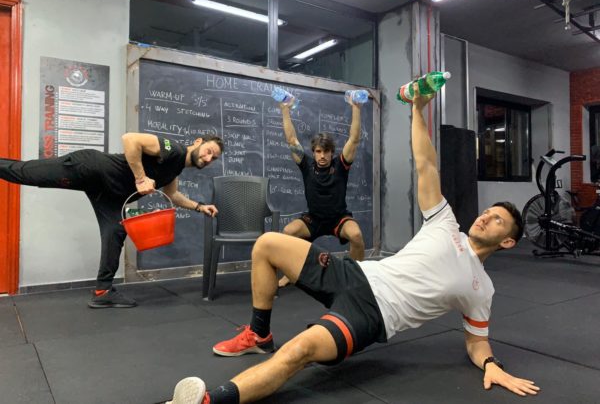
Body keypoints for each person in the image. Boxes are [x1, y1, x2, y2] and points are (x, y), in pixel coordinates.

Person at [165, 84, 540, 404]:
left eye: (497, 220)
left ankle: (209, 400)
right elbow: (426, 164)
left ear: (508, 241)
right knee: (267, 243)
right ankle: (259, 332)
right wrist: (417, 109)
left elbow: (476, 343)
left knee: (299, 351)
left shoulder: (481, 288)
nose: (485, 217)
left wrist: (492, 365)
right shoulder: (446, 223)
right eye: (488, 211)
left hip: (372, 313)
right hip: (353, 273)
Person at [0, 133, 223, 308]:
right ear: (198, 142)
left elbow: (173, 195)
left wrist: (200, 206)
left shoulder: (175, 169)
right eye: (209, 151)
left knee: (115, 231)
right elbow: (131, 139)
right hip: (91, 168)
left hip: (108, 194)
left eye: (213, 158)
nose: (208, 158)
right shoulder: (173, 149)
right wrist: (141, 178)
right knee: (25, 173)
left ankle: (103, 292)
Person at [277, 93, 365, 287]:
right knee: (288, 232)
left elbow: (354, 139)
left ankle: (355, 276)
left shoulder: (340, 165)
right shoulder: (307, 165)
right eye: (318, 151)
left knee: (356, 235)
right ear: (314, 152)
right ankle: (290, 273)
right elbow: (291, 140)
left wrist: (356, 108)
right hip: (314, 219)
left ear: (332, 153)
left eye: (326, 151)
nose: (322, 155)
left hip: (338, 218)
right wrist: (285, 110)